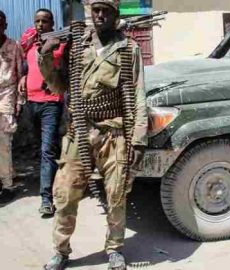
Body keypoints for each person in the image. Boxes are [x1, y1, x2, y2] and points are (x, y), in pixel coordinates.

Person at [39, 0, 147, 269]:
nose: (99, 15)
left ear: (115, 15)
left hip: (114, 133)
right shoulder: (77, 45)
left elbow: (138, 94)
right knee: (64, 194)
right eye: (96, 9)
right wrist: (46, 57)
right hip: (79, 132)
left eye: (106, 11)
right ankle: (61, 251)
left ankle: (115, 249)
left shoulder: (128, 48)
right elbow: (57, 87)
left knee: (116, 194)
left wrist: (138, 139)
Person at [18, 9, 65, 216]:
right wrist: (23, 78)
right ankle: (57, 183)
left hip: (51, 103)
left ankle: (47, 199)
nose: (40, 25)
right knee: (43, 149)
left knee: (47, 151)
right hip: (31, 102)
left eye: (44, 21)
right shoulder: (31, 43)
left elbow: (62, 70)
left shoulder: (59, 42)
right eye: (37, 21)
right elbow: (30, 67)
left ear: (52, 23)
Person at [0, 10, 23, 204]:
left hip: (6, 98)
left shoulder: (14, 46)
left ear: (5, 26)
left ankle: (7, 185)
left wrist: (19, 103)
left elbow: (20, 75)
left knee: (3, 143)